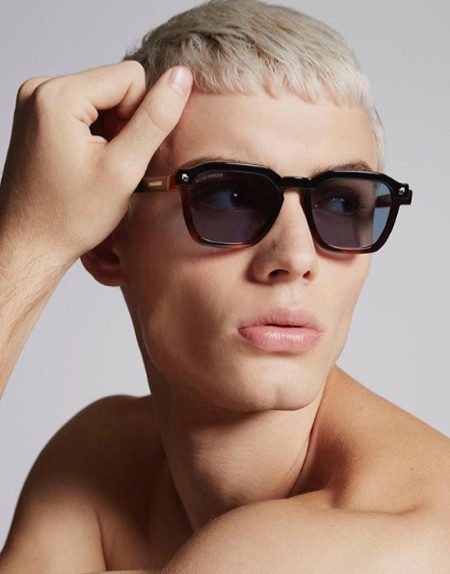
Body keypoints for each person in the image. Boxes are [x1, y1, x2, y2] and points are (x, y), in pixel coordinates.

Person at [0, 0, 449, 572]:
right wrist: (33, 236)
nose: (294, 257)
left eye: (340, 203)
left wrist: (25, 244)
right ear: (109, 239)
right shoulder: (98, 465)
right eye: (229, 197)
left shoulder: (373, 539)